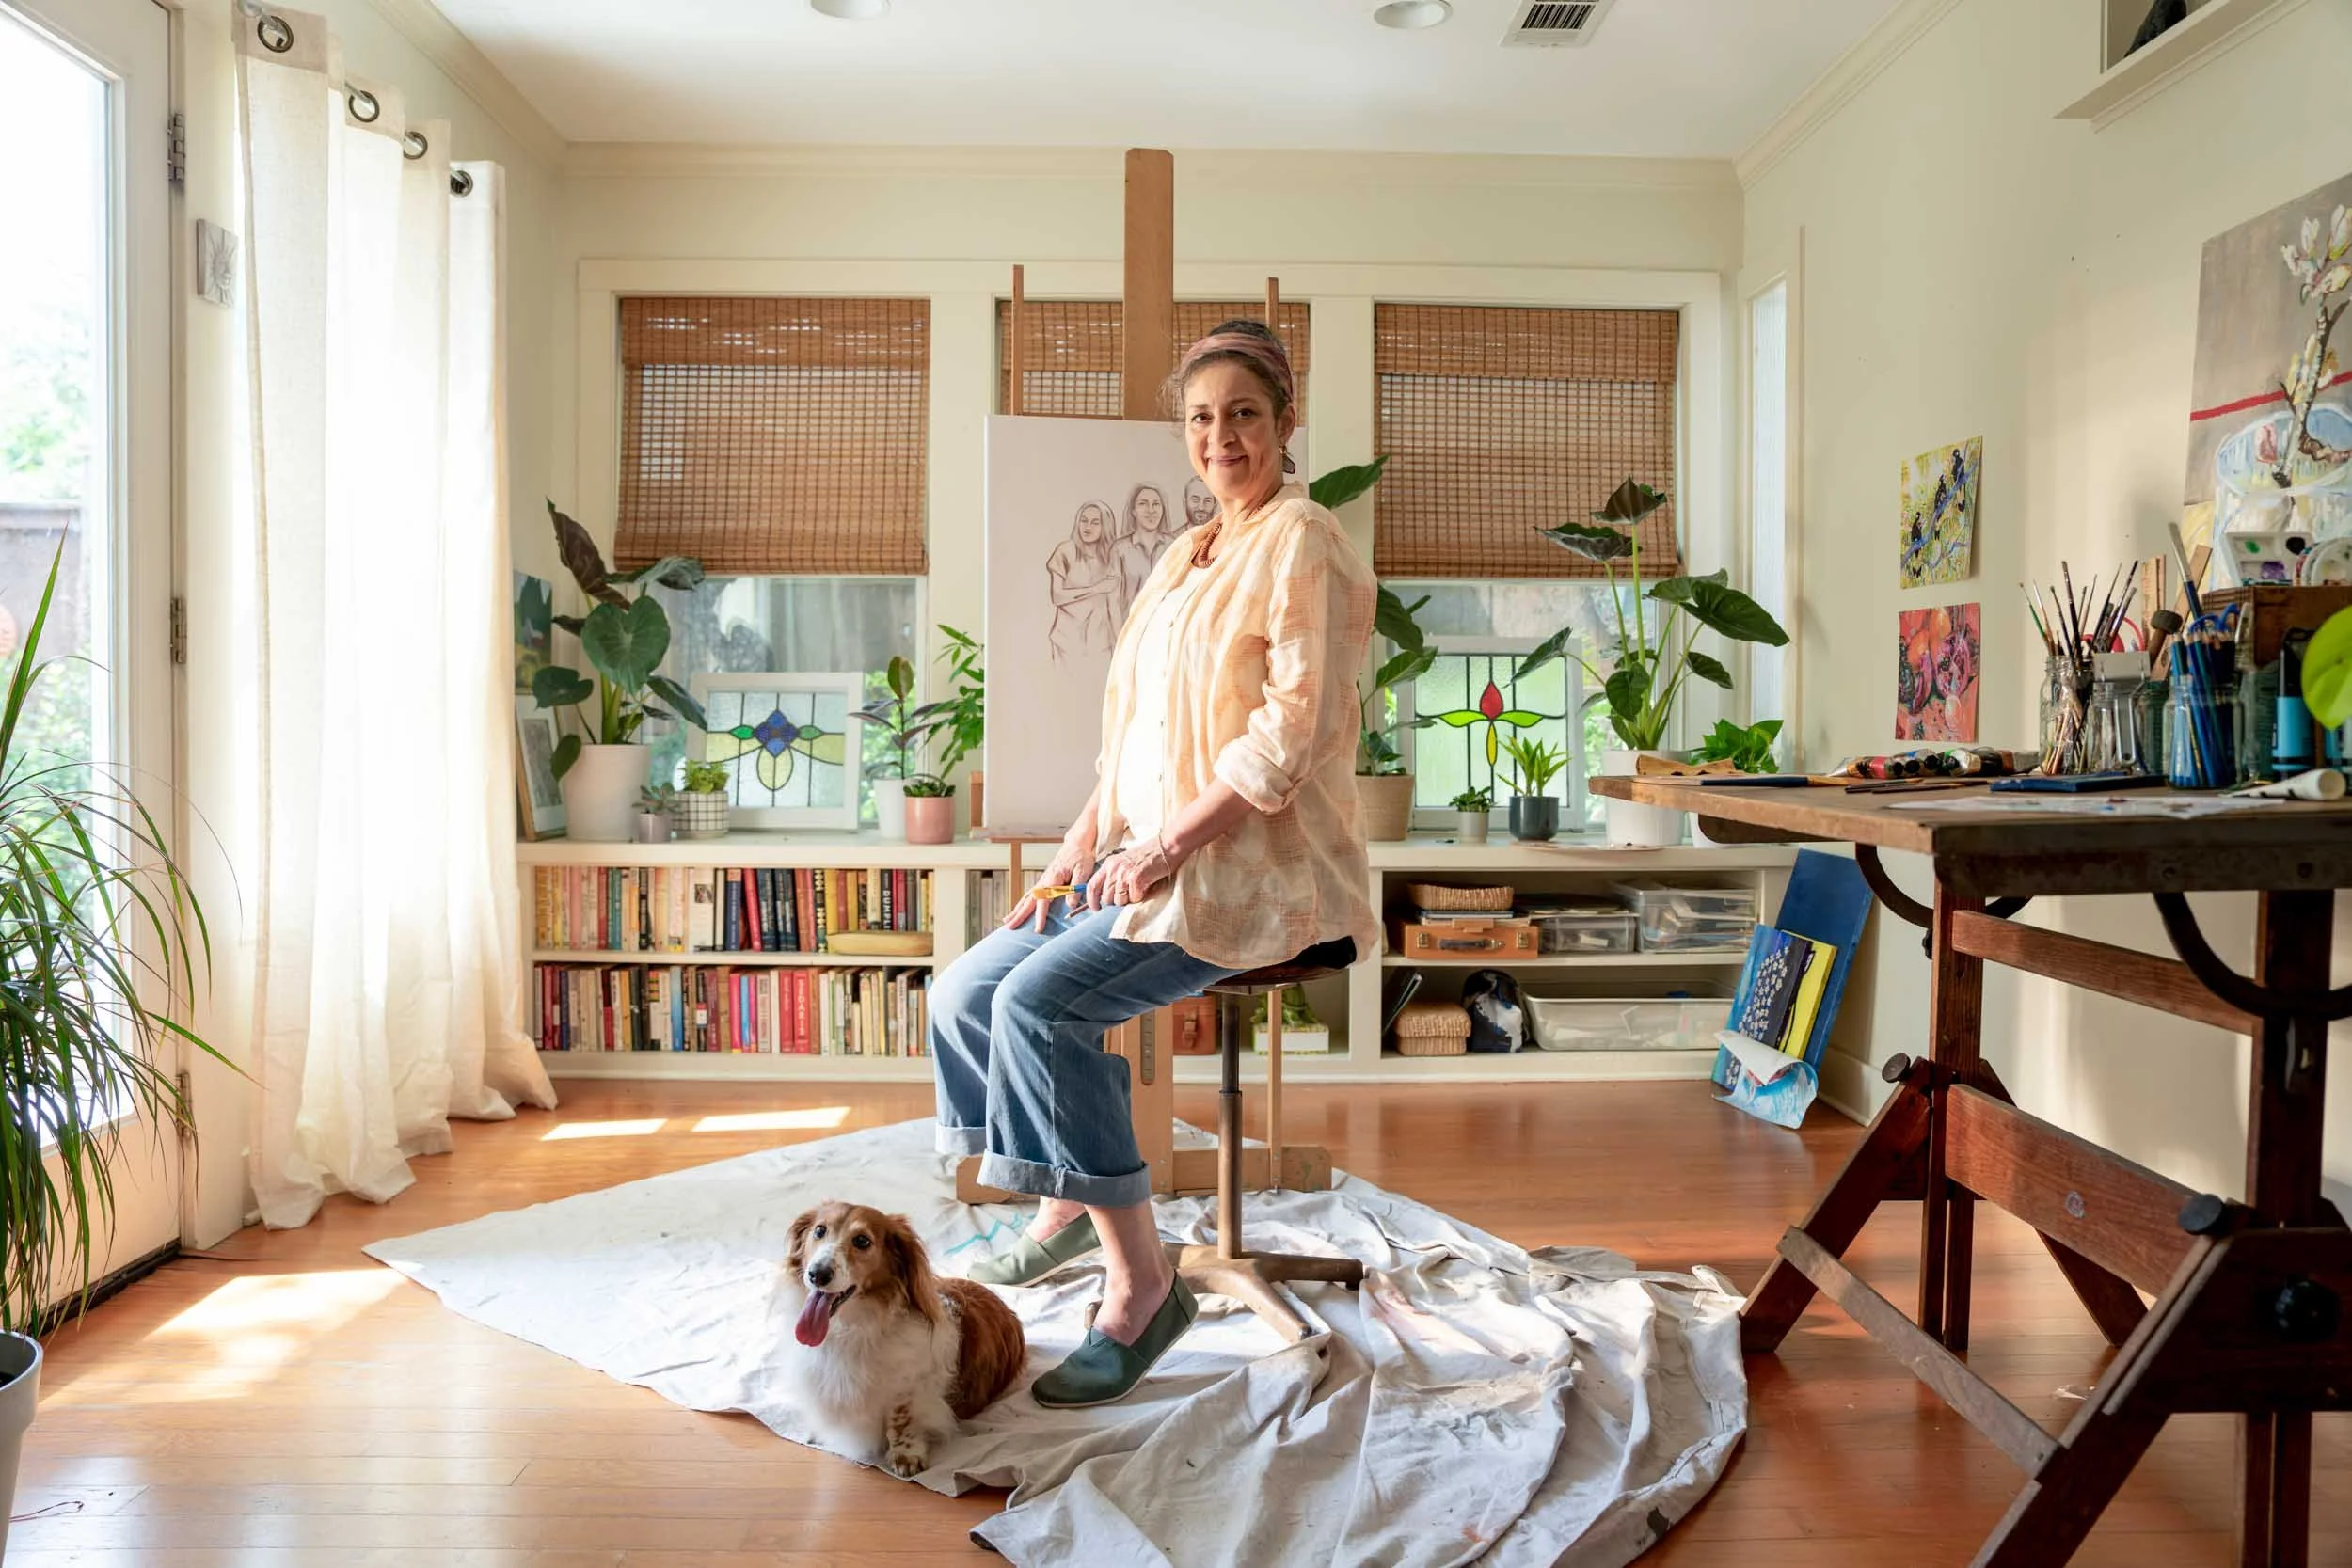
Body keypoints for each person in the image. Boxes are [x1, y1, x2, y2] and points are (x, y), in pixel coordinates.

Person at [929, 320, 1376, 1408]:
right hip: (1138, 851)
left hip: (1255, 868)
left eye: (1243, 414)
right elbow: (1132, 734)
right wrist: (1075, 854)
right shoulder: (1186, 552)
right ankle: (1064, 1206)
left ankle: (1140, 1289)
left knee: (1038, 1009)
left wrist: (1166, 843)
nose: (1220, 436)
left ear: (1280, 423)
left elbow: (1293, 728)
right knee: (963, 994)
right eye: (1201, 418)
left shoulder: (1300, 537)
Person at [1043, 499, 1120, 663]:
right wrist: (1097, 588)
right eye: (1083, 521)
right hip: (1066, 640)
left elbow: (1114, 604)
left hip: (1100, 643)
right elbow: (1057, 597)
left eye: (1095, 522)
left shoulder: (1113, 556)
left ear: (1105, 526)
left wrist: (1120, 641)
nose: (1087, 527)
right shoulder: (1066, 551)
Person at [1114, 483, 1174, 622]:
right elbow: (1113, 601)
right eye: (1143, 504)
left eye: (1156, 504)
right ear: (1133, 511)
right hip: (1131, 630)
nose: (1151, 510)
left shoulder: (1175, 545)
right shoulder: (1120, 549)